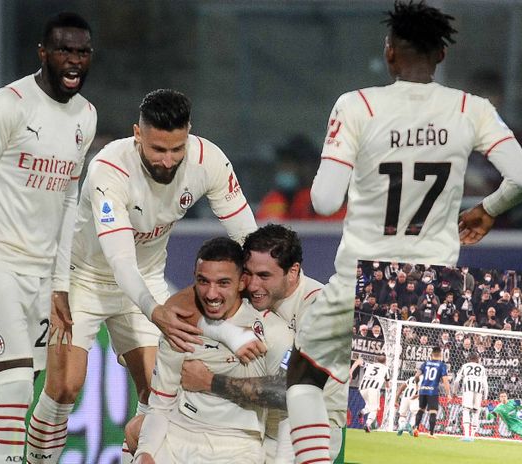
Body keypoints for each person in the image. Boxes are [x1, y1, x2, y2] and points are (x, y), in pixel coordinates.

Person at [284, 2, 522, 459]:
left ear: (389, 54)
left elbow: (323, 200)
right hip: (433, 283)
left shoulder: (357, 105)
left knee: (303, 377)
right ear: (441, 55)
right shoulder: (470, 108)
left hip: (361, 278)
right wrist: (489, 209)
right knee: (418, 409)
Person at [26, 89, 261, 463]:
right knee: (64, 386)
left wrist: (275, 290)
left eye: (176, 149)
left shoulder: (209, 160)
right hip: (80, 281)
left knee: (158, 390)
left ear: (189, 135)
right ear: (137, 134)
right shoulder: (109, 169)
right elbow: (120, 260)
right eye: (157, 149)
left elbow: (248, 239)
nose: (168, 161)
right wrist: (156, 310)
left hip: (146, 276)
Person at [0, 12, 98, 464]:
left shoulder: (86, 116)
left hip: (40, 271)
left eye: (82, 52)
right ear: (42, 53)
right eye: (64, 51)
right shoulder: (5, 104)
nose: (73, 61)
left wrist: (59, 283)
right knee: (14, 385)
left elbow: (69, 201)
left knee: (11, 389)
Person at [154, 224, 346, 462]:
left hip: (307, 425)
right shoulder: (255, 292)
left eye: (264, 276)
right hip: (260, 427)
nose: (253, 285)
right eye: (249, 274)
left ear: (293, 271)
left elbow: (286, 391)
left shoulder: (320, 310)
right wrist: (225, 331)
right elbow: (177, 309)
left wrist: (210, 381)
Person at [134, 238, 272, 464]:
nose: (211, 294)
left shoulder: (266, 327)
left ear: (241, 282)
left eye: (223, 283)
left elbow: (285, 393)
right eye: (203, 281)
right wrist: (145, 453)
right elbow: (160, 407)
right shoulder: (178, 327)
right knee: (136, 435)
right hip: (179, 437)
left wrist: (208, 381)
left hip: (237, 445)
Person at [411, 347, 451, 438]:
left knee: (421, 409)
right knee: (433, 411)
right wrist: (448, 394)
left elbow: (416, 376)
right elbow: (445, 381)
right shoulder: (441, 365)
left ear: (431, 354)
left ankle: (416, 428)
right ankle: (431, 433)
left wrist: (417, 387)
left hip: (423, 389)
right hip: (432, 391)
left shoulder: (425, 363)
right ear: (441, 355)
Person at [454, 352, 489, 442]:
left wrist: (455, 392)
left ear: (468, 359)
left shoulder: (465, 366)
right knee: (476, 412)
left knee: (466, 410)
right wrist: (485, 397)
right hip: (479, 390)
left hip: (468, 389)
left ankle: (466, 436)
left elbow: (457, 381)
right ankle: (473, 436)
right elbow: (485, 384)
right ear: (478, 359)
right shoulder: (482, 368)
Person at [353, 355, 390, 432]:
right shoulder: (386, 368)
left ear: (377, 360)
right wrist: (388, 386)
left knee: (369, 406)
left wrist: (351, 371)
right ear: (385, 361)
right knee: (374, 409)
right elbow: (387, 384)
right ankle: (366, 421)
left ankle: (364, 416)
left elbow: (359, 361)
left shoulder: (370, 365)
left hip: (363, 388)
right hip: (373, 389)